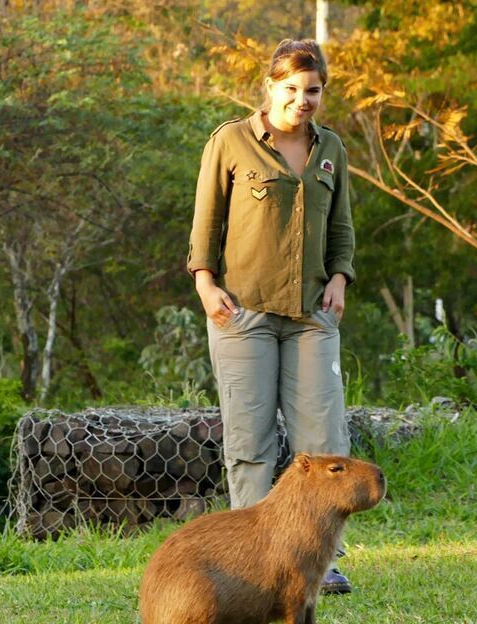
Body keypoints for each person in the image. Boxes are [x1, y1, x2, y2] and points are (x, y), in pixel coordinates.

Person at [186, 39, 356, 594]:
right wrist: (205, 282)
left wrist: (340, 277)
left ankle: (318, 562)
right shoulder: (230, 141)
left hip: (312, 315)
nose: (302, 100)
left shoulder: (331, 149)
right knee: (250, 443)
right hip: (243, 315)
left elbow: (341, 226)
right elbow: (206, 221)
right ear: (270, 87)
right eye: (291, 89)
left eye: (313, 90)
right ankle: (257, 566)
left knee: (323, 443)